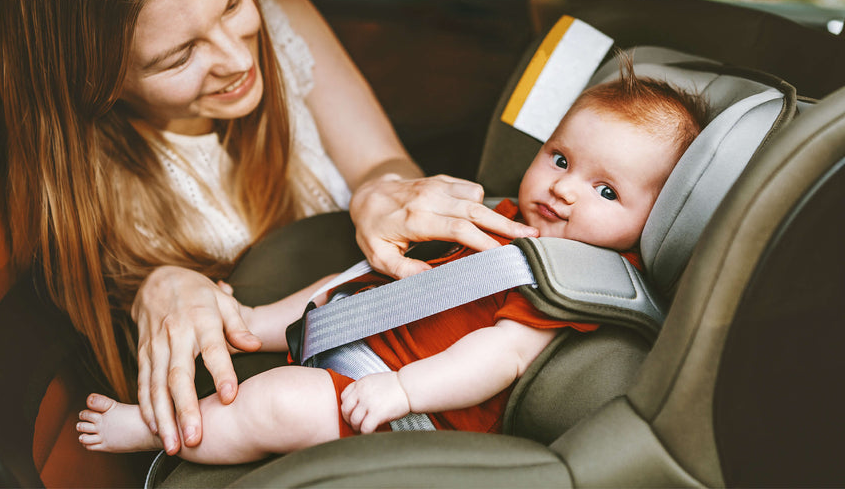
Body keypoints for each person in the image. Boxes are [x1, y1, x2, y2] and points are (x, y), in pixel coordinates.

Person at [0, 0, 535, 458]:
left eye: (231, 3)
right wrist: (154, 286)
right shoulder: (86, 177)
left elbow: (380, 160)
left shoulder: (279, 10)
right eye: (179, 56)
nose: (236, 57)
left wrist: (380, 191)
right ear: (90, 75)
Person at [74, 61, 708, 463]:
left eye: (606, 191)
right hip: (365, 337)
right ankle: (253, 320)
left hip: (411, 406)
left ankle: (160, 432)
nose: (564, 188)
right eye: (562, 159)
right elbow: (382, 277)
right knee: (342, 280)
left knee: (277, 404)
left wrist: (401, 390)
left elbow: (499, 357)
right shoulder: (509, 212)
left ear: (655, 220)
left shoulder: (571, 278)